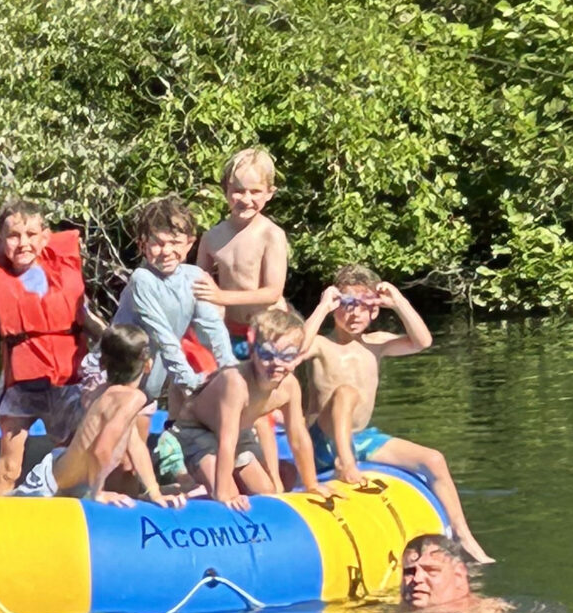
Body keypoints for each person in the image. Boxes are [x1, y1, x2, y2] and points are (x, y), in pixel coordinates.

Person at [301, 268, 494, 563]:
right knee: (346, 393)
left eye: (363, 308)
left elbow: (422, 342)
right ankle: (345, 462)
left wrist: (399, 301)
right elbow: (294, 348)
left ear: (374, 312)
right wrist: (321, 307)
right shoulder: (320, 344)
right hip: (323, 441)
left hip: (362, 437)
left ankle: (462, 535)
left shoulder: (376, 343)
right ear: (334, 308)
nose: (354, 315)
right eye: (346, 306)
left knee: (434, 460)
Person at [0, 200, 101, 495]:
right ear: (0, 240)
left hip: (67, 380)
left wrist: (122, 353)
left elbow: (91, 323)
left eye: (31, 234)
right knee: (9, 466)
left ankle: (70, 511)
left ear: (44, 237)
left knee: (74, 453)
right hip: (20, 385)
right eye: (14, 236)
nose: (23, 243)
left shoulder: (64, 275)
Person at [16, 325, 187, 510]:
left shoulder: (108, 393)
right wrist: (97, 493)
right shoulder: (133, 398)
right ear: (148, 365)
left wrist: (154, 491)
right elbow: (101, 450)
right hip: (51, 486)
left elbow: (135, 445)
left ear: (103, 363)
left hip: (67, 478)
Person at [112, 195, 237, 439]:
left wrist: (230, 368)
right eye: (158, 243)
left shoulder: (194, 277)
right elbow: (163, 337)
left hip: (148, 384)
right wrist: (190, 380)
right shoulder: (142, 279)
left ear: (190, 244)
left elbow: (213, 328)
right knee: (116, 456)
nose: (167, 251)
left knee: (131, 463)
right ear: (142, 244)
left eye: (175, 242)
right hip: (115, 378)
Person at [181, 303, 321, 508]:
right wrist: (223, 495)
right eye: (266, 354)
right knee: (228, 494)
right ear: (252, 351)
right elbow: (226, 440)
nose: (277, 363)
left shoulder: (290, 386)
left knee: (267, 494)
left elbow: (298, 436)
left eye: (287, 356)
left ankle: (205, 484)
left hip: (240, 435)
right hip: (195, 432)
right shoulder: (236, 382)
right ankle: (185, 488)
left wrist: (312, 485)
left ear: (299, 357)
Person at [193, 148, 289, 344]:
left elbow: (272, 293)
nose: (246, 200)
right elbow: (199, 286)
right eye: (238, 191)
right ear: (225, 191)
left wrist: (221, 297)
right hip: (230, 330)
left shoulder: (271, 235)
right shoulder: (211, 237)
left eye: (255, 192)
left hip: (267, 330)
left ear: (270, 193)